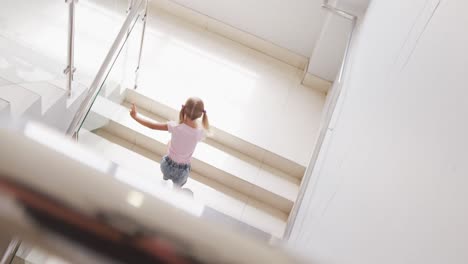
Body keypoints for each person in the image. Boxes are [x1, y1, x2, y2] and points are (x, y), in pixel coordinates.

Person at [129, 97, 210, 188]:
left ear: (184, 108)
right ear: (201, 115)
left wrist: (135, 116)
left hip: (166, 165)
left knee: (169, 145)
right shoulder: (200, 133)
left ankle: (164, 180)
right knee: (177, 187)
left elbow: (152, 126)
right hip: (182, 172)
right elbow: (187, 139)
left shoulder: (175, 126)